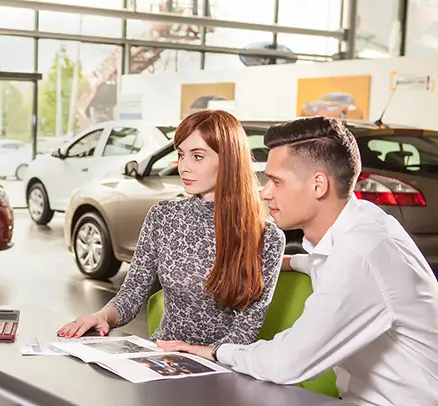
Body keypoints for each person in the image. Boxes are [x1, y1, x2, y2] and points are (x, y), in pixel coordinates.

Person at [163, 116, 438, 406]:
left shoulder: (362, 252)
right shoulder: (362, 224)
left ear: (318, 185)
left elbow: (287, 362)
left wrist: (214, 351)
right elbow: (329, 264)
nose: (265, 193)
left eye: (276, 181)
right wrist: (291, 262)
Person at [58, 110, 285, 349]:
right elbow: (132, 292)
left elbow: (245, 331)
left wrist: (195, 353)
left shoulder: (267, 238)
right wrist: (102, 316)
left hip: (222, 366)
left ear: (230, 160)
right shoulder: (163, 216)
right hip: (161, 358)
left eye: (197, 156)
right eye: (181, 155)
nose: (184, 166)